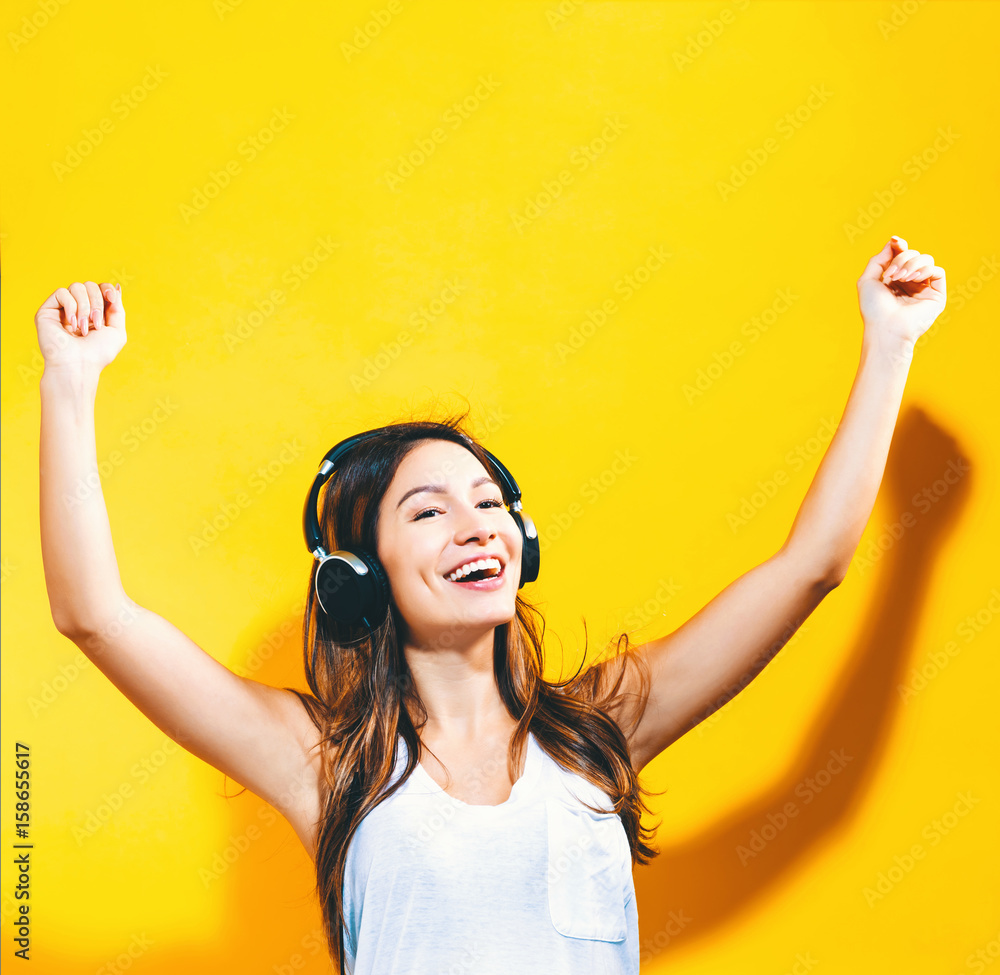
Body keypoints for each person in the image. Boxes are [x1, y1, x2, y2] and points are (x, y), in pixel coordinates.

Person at [36, 235, 946, 974]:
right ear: (358, 576)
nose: (477, 528)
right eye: (428, 512)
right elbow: (95, 614)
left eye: (489, 504)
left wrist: (890, 343)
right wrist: (69, 382)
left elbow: (811, 567)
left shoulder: (599, 728)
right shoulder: (325, 761)